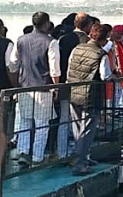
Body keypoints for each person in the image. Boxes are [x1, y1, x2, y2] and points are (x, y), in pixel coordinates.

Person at [8, 12, 59, 165]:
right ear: (47, 24)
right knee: (42, 125)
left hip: (24, 87)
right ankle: (37, 157)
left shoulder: (21, 40)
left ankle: (23, 152)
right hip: (43, 88)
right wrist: (56, 87)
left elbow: (13, 64)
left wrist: (17, 82)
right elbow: (54, 69)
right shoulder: (51, 42)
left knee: (25, 121)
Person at [66, 23, 113, 176]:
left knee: (77, 128)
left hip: (74, 92)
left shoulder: (77, 49)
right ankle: (80, 164)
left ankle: (82, 157)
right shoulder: (101, 54)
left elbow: (69, 69)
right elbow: (105, 76)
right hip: (91, 96)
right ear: (105, 39)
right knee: (87, 131)